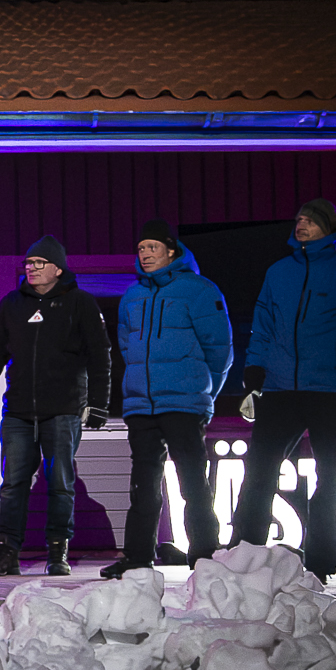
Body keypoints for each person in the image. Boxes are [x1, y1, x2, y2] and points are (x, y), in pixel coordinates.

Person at [227, 198, 336, 574]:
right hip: (280, 388)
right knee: (259, 471)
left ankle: (321, 563)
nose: (301, 224)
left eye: (310, 220)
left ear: (329, 228)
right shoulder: (279, 272)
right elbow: (262, 327)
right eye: (299, 219)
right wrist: (253, 377)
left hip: (331, 389)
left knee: (329, 477)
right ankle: (243, 555)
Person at [0, 234, 109, 577]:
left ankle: (57, 552)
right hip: (18, 411)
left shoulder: (81, 304)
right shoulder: (12, 304)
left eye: (38, 263)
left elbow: (99, 356)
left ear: (57, 268)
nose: (30, 268)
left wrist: (98, 404)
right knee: (12, 485)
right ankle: (7, 553)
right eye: (28, 263)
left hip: (63, 410)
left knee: (60, 484)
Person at [105, 219, 231, 579]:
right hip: (142, 405)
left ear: (172, 251)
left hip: (184, 403)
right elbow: (127, 347)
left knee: (192, 480)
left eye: (153, 247)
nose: (145, 254)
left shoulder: (199, 290)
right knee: (143, 484)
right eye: (141, 248)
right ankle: (137, 558)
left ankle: (204, 554)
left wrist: (205, 393)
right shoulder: (133, 295)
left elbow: (219, 348)